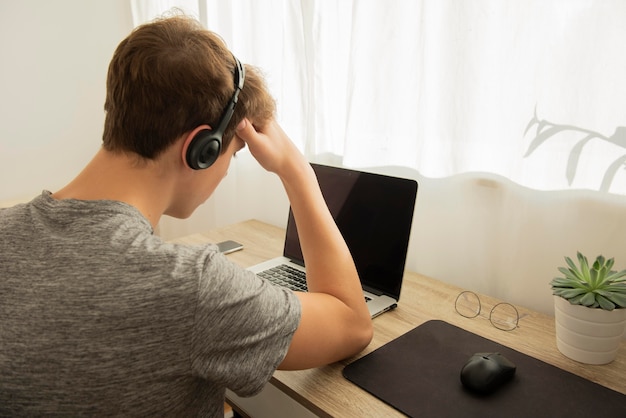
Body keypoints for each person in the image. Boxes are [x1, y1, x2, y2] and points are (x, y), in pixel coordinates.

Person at [0, 13, 372, 417]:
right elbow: (352, 323)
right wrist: (296, 169)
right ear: (201, 149)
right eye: (232, 153)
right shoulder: (191, 287)